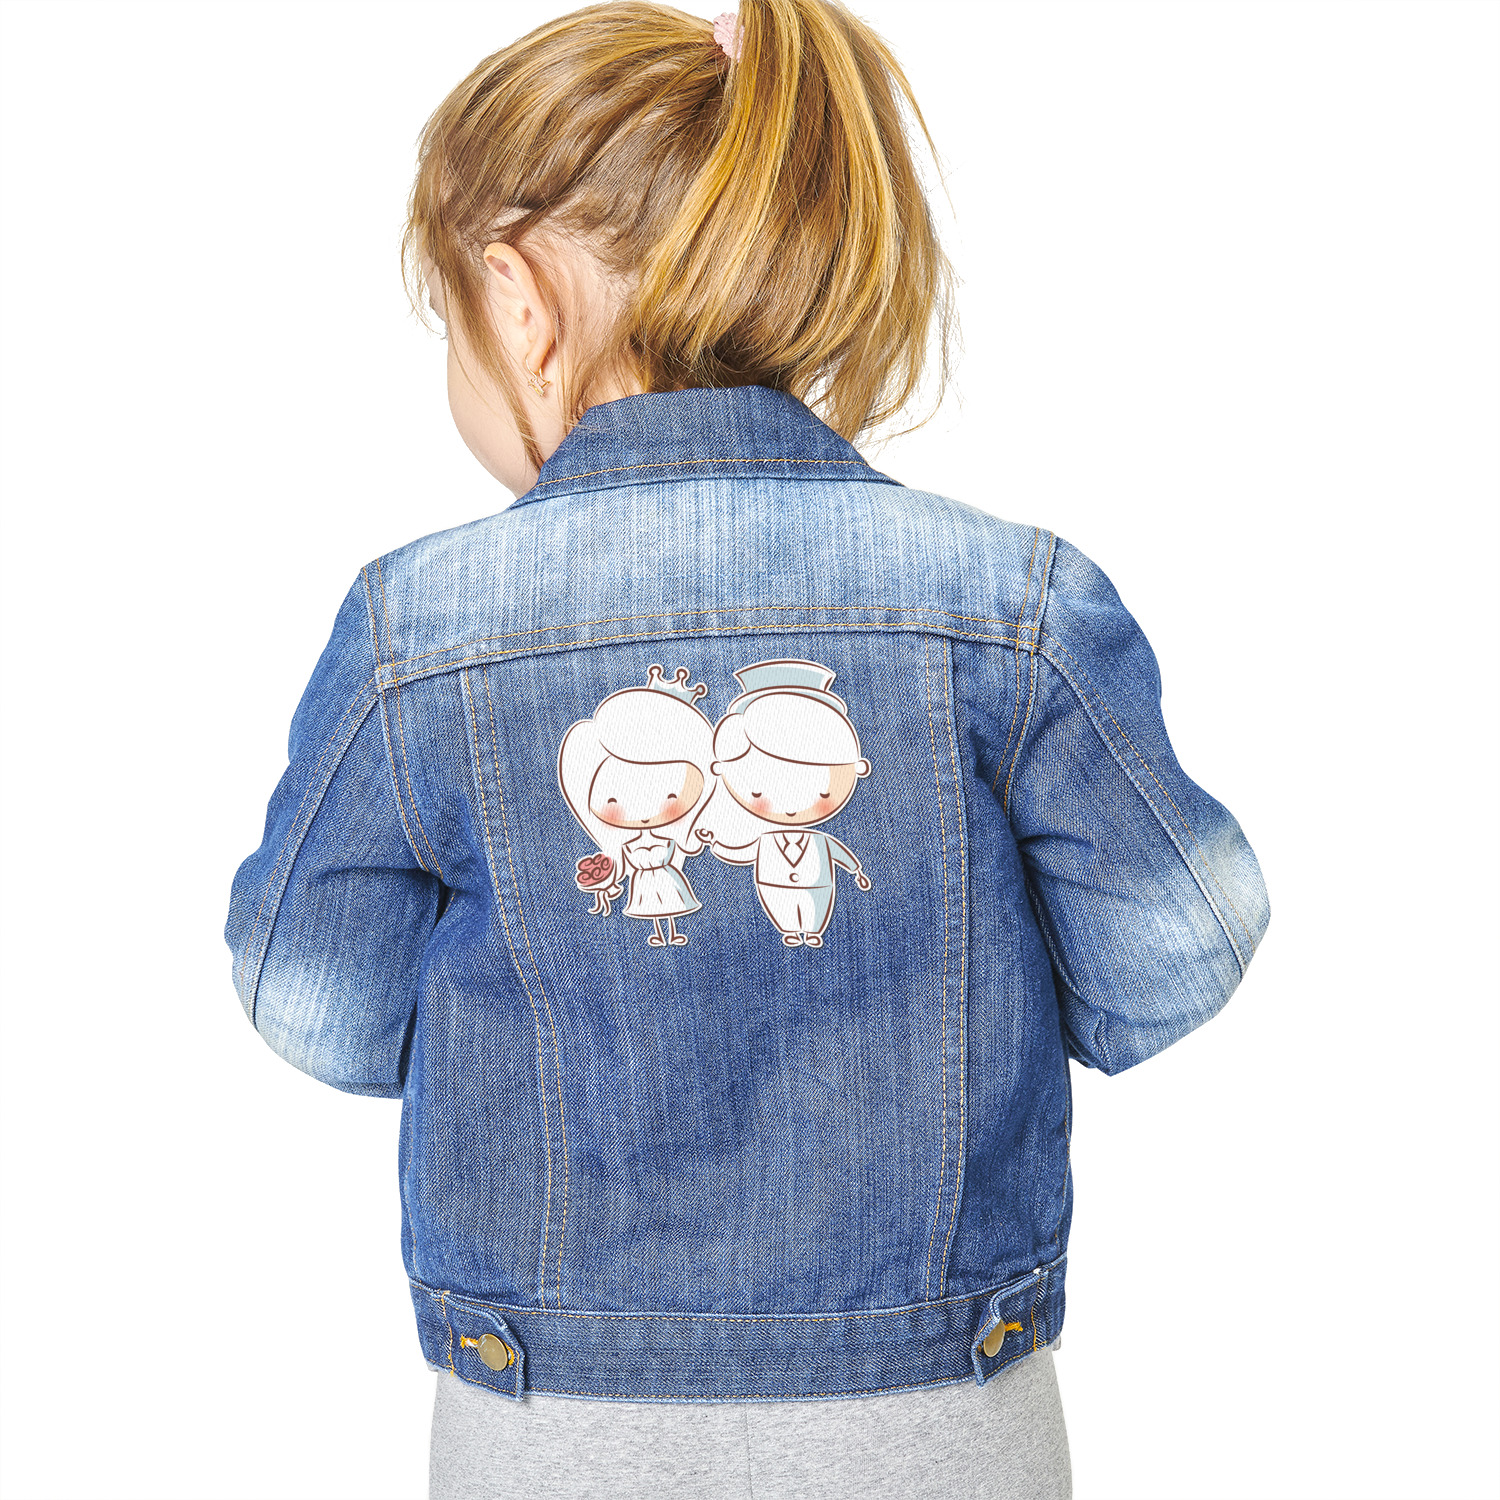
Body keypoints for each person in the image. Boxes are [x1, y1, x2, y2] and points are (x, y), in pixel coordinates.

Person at [224, 2, 1270, 1496]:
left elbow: (310, 999)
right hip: (939, 1416)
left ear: (517, 301)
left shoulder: (418, 631)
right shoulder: (1011, 603)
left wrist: (535, 1020)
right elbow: (1175, 955)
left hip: (550, 1422)